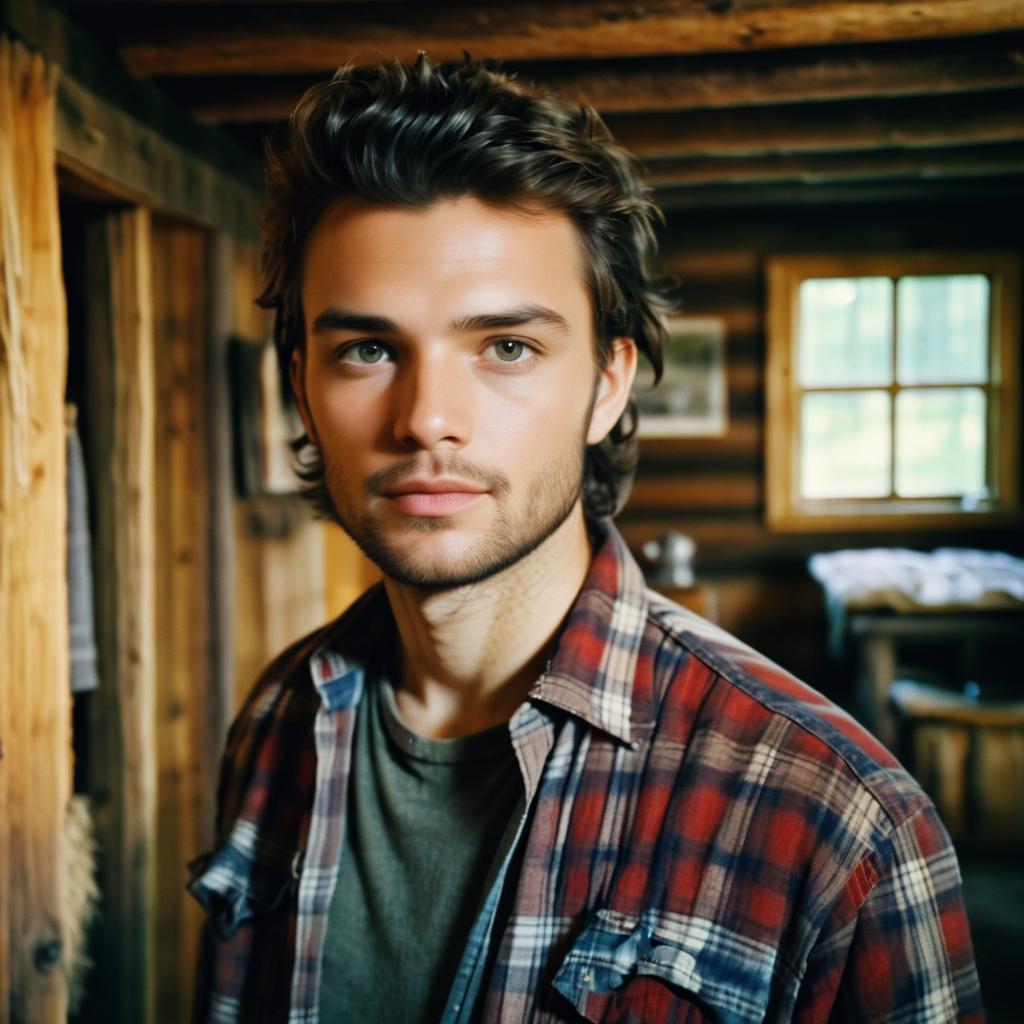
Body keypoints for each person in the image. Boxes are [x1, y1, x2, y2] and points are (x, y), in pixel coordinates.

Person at [190, 55, 983, 1023]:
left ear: (608, 384)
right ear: (301, 383)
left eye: (507, 347)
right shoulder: (279, 719)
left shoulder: (838, 818)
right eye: (367, 349)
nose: (427, 417)